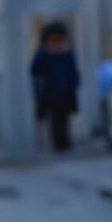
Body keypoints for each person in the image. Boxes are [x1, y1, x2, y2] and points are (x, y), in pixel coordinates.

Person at [30, 22, 81, 153]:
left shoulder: (67, 53)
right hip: (49, 93)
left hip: (64, 93)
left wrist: (73, 85)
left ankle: (63, 144)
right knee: (50, 121)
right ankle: (51, 144)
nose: (57, 42)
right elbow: (35, 70)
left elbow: (73, 73)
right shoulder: (43, 54)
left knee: (62, 120)